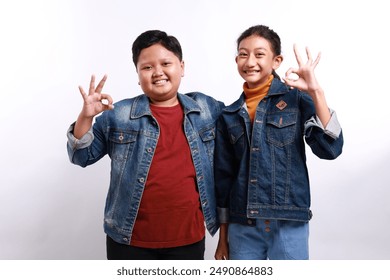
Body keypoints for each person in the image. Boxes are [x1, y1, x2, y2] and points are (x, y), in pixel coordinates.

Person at [66, 30, 224, 260]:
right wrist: (86, 117)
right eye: (147, 67)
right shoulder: (118, 114)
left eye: (166, 63)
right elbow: (81, 157)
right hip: (128, 239)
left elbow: (245, 123)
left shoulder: (206, 108)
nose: (157, 72)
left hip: (187, 238)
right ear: (138, 75)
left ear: (182, 67)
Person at [214, 25, 343, 260]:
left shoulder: (296, 98)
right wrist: (223, 239)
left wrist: (316, 91)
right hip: (243, 224)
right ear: (236, 60)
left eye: (259, 54)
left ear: (276, 60)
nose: (250, 61)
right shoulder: (229, 114)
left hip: (288, 221)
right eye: (243, 54)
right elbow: (224, 179)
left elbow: (330, 148)